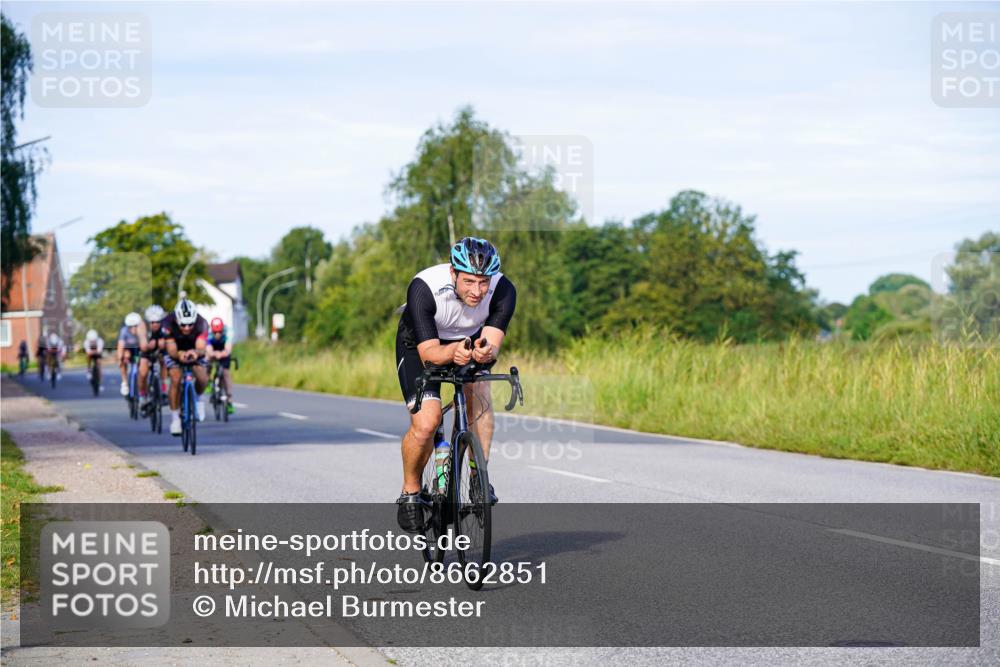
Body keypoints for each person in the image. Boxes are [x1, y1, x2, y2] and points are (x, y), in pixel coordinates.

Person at [394, 237, 516, 532]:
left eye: (483, 282)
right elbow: (429, 354)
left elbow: (493, 343)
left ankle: (478, 478)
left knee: (481, 391)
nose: (477, 291)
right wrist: (453, 352)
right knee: (426, 423)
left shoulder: (503, 290)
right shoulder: (424, 287)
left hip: (468, 341)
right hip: (420, 346)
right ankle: (410, 491)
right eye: (469, 282)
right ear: (453, 273)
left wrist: (486, 351)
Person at [161, 296, 209, 435]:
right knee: (175, 378)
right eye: (183, 325)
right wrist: (179, 355)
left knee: (202, 378)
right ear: (176, 320)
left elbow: (201, 347)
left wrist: (195, 353)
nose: (187, 328)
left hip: (194, 349)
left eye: (190, 324)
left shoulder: (202, 323)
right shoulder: (167, 323)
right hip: (175, 350)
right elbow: (171, 350)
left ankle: (199, 397)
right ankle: (175, 418)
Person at [138, 305, 167, 413]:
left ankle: (163, 389)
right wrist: (155, 343)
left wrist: (161, 344)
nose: (155, 324)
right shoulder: (142, 326)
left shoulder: (165, 325)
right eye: (152, 322)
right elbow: (143, 346)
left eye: (157, 322)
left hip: (160, 350)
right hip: (146, 351)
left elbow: (167, 343)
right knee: (143, 371)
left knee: (164, 360)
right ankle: (142, 396)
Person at [206, 317, 235, 414]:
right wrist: (213, 354)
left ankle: (229, 400)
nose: (217, 334)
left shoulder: (228, 332)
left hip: (223, 350)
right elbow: (208, 349)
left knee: (226, 374)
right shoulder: (208, 333)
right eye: (215, 332)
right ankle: (208, 381)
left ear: (222, 330)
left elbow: (228, 349)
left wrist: (221, 354)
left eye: (219, 332)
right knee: (207, 362)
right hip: (213, 349)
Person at [116, 312, 146, 397]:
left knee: (141, 364)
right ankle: (124, 382)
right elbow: (120, 346)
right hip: (128, 349)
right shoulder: (124, 331)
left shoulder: (142, 330)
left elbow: (145, 346)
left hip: (138, 351)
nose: (133, 328)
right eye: (130, 326)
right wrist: (120, 359)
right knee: (123, 358)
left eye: (135, 326)